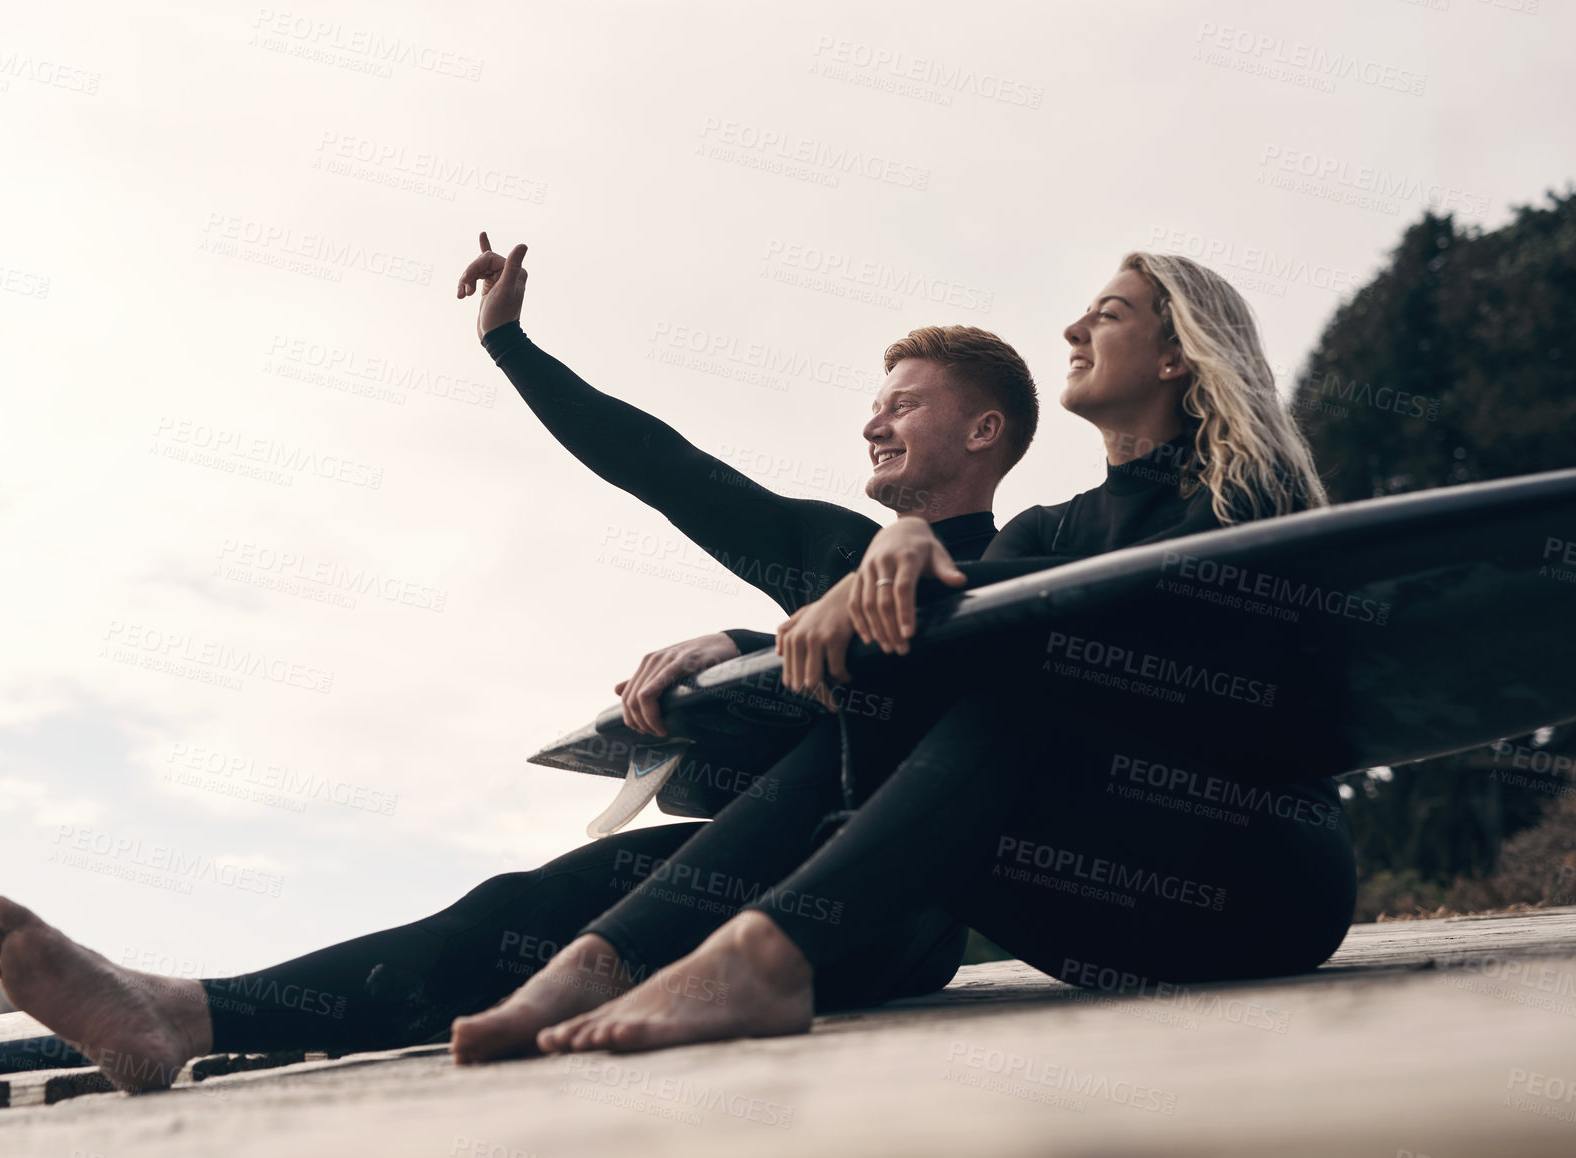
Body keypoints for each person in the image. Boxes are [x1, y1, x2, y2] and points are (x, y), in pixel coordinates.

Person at [0, 238, 1046, 1089]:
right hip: (755, 862)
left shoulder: (1029, 563)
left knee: (580, 917)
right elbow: (668, 469)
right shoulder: (830, 550)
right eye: (876, 401)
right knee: (514, 911)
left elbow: (943, 695)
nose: (872, 421)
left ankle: (194, 1010)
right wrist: (512, 346)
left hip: (892, 909)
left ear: (985, 430)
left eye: (904, 402)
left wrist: (753, 642)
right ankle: (183, 1013)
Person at [449, 243, 1357, 1058]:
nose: (1072, 326)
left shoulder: (1250, 492)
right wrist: (880, 566)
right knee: (917, 694)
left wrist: (875, 580)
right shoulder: (1047, 529)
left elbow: (1178, 673)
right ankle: (613, 956)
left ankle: (751, 954)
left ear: (1175, 353)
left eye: (1108, 313)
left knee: (999, 700)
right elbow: (696, 486)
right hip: (1103, 926)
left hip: (1258, 886)